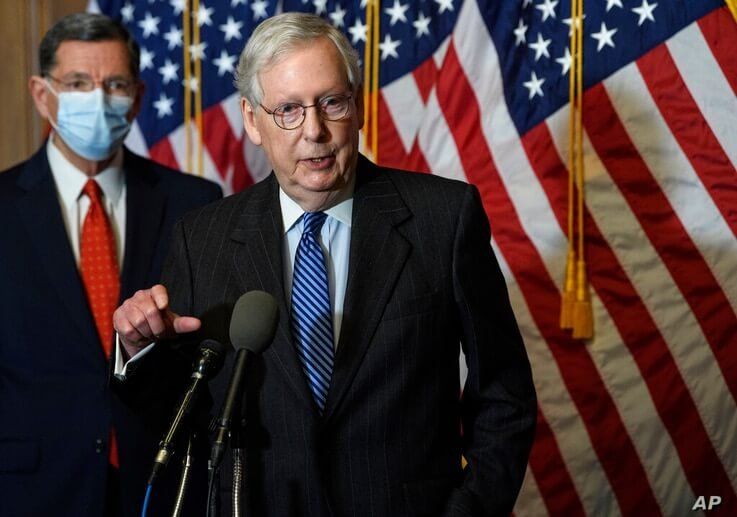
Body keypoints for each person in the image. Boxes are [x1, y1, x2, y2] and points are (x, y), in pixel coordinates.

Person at [114, 12, 536, 517]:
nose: (314, 131)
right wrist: (137, 351)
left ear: (355, 107)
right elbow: (175, 417)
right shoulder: (201, 238)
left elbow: (505, 396)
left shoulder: (443, 219)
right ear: (252, 120)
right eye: (288, 110)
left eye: (331, 102)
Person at [0, 12, 222, 517]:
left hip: (161, 484)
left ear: (138, 96)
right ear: (42, 94)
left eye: (115, 84)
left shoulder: (196, 202)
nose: (97, 99)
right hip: (28, 490)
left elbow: (205, 356)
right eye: (77, 83)